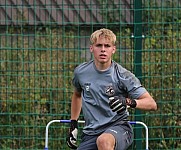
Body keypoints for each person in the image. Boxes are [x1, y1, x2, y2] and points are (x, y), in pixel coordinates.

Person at [66, 28, 157, 150]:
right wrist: (73, 123)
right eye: (99, 45)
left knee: (103, 141)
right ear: (91, 48)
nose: (103, 49)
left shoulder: (123, 75)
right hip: (91, 133)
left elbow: (151, 104)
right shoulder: (81, 72)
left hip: (119, 128)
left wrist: (128, 102)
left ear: (113, 49)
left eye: (107, 46)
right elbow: (77, 95)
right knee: (100, 140)